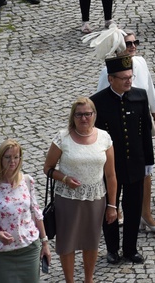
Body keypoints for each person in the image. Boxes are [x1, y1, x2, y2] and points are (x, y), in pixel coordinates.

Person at [43, 97, 117, 283]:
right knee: (67, 242)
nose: (84, 118)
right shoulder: (63, 138)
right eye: (79, 115)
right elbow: (48, 168)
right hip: (67, 199)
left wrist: (112, 205)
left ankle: (88, 280)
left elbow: (111, 175)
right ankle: (70, 281)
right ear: (73, 117)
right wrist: (65, 179)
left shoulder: (104, 138)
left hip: (96, 198)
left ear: (94, 115)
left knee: (91, 242)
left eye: (87, 114)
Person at [96, 31, 155, 233]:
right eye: (128, 43)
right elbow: (101, 103)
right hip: (118, 130)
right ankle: (116, 210)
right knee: (117, 171)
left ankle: (145, 212)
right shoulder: (106, 73)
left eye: (136, 42)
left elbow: (149, 90)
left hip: (140, 124)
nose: (133, 46)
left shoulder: (141, 63)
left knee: (145, 172)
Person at [91, 55, 154, 264]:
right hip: (109, 168)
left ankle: (130, 249)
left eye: (130, 76)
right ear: (111, 79)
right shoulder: (97, 102)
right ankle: (112, 250)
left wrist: (148, 163)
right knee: (110, 207)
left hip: (135, 163)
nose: (129, 81)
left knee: (133, 207)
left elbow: (145, 132)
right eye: (124, 78)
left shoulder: (140, 96)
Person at [0, 139, 51, 282]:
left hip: (29, 248)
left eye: (16, 157)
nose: (13, 161)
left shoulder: (27, 181)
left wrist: (45, 243)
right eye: (8, 157)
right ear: (0, 159)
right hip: (2, 253)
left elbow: (36, 213)